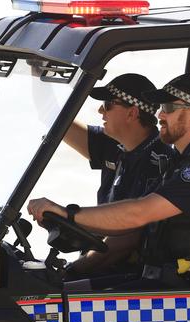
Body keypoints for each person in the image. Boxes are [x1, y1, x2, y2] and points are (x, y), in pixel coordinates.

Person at [28, 73, 190, 288]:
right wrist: (69, 223)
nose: (159, 115)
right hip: (165, 277)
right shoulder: (180, 162)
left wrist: (69, 214)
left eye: (168, 108)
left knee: (64, 301)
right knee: (63, 290)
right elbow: (131, 221)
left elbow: (139, 214)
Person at [62, 73, 173, 276]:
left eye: (108, 104)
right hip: (103, 263)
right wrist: (38, 71)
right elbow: (58, 123)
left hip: (128, 276)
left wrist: (72, 270)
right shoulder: (115, 144)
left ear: (132, 113)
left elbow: (127, 240)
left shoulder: (160, 162)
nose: (101, 110)